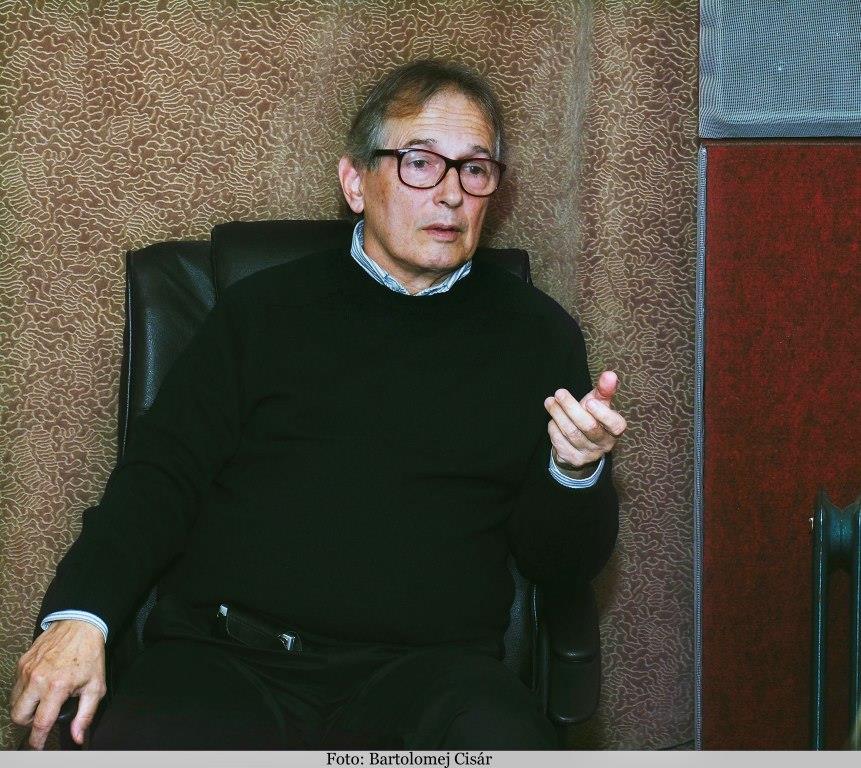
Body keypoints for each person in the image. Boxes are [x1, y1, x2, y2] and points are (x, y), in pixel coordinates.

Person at [10, 59, 625, 750]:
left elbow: (559, 565)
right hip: (227, 661)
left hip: (432, 679)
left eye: (475, 169)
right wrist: (82, 615)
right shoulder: (258, 312)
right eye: (421, 163)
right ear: (355, 182)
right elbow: (159, 479)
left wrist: (574, 472)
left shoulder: (538, 336)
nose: (451, 193)